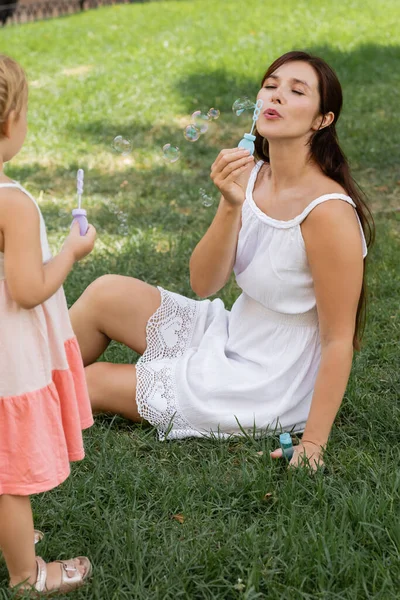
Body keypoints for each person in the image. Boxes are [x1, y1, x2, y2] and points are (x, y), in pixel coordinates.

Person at [70, 51, 374, 471]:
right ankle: (18, 379)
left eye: (296, 90)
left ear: (323, 120)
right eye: (270, 85)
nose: (277, 95)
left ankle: (24, 402)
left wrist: (313, 443)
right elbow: (203, 284)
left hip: (267, 380)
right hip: (232, 332)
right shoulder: (253, 173)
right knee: (106, 293)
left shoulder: (328, 213)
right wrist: (230, 204)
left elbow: (338, 340)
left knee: (93, 382)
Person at [0, 55, 96, 594]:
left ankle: (11, 537)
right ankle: (26, 575)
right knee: (9, 476)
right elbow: (29, 288)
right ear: (11, 120)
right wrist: (70, 252)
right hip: (7, 362)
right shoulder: (12, 203)